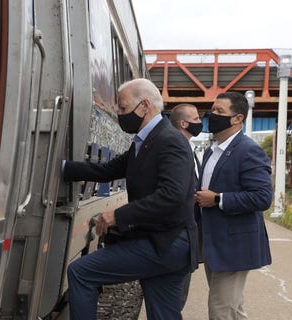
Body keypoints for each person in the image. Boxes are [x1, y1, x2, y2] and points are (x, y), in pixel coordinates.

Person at [63, 78, 199, 320]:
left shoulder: (169, 141)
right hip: (167, 243)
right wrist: (62, 168)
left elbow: (172, 195)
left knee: (81, 272)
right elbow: (106, 171)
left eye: (124, 108)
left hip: (166, 243)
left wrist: (118, 215)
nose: (120, 114)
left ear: (144, 106)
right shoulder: (147, 141)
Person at [195, 92, 272, 320]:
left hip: (234, 247)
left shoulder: (248, 150)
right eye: (212, 109)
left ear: (237, 118)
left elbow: (262, 197)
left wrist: (218, 199)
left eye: (219, 111)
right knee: (233, 311)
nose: (212, 115)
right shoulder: (211, 151)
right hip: (215, 244)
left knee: (220, 312)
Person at [170, 103, 204, 310]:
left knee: (178, 295)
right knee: (173, 297)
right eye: (197, 119)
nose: (201, 122)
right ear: (183, 123)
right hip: (176, 234)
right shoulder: (176, 148)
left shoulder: (189, 149)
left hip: (188, 234)